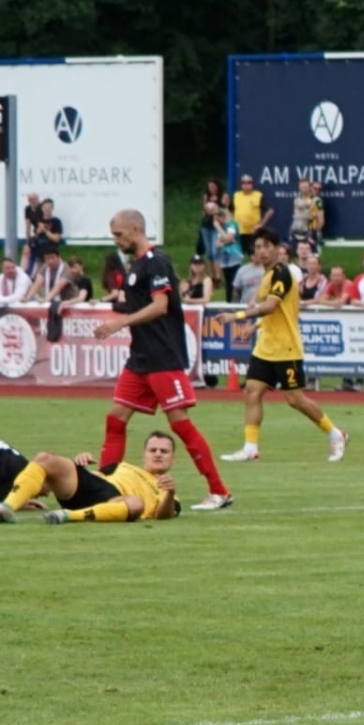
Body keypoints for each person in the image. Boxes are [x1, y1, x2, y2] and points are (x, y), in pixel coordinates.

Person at [93, 208, 233, 511]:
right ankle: (104, 490)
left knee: (181, 424)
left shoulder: (157, 262)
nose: (116, 240)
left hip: (162, 357)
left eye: (118, 234)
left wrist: (122, 322)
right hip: (140, 358)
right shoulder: (135, 265)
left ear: (135, 229)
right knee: (115, 419)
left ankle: (219, 491)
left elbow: (160, 306)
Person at [216, 227, 348, 464]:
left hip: (286, 348)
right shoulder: (267, 275)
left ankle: (335, 434)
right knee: (252, 391)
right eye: (258, 247)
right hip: (265, 347)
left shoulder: (282, 274)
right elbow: (274, 313)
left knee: (295, 399)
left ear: (277, 249)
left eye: (267, 246)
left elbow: (270, 307)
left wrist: (236, 317)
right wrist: (255, 327)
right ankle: (250, 448)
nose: (262, 251)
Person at [0, 432, 182, 526]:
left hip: (117, 502)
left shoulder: (170, 493)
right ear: (144, 454)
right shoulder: (122, 466)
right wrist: (80, 466)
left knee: (136, 503)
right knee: (45, 458)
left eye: (164, 451)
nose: (158, 454)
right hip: (98, 488)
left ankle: (67, 516)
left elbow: (163, 516)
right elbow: (96, 478)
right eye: (153, 450)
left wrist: (170, 493)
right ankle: (7, 507)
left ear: (173, 458)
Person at [232, 174, 270, 254]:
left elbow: (270, 210)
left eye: (249, 183)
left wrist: (261, 225)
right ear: (241, 185)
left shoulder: (258, 195)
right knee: (238, 254)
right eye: (244, 183)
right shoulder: (236, 195)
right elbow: (230, 210)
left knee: (254, 253)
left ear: (252, 184)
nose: (246, 185)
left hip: (253, 231)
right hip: (238, 230)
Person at [213, 206, 244, 301]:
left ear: (222, 217)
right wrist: (226, 240)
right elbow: (217, 244)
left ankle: (236, 300)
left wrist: (219, 229)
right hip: (225, 257)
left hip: (234, 255)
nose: (217, 222)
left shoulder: (231, 224)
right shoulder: (223, 228)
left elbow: (229, 238)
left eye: (218, 219)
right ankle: (228, 301)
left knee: (234, 280)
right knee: (228, 280)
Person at [291, 178, 325, 253]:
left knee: (311, 255)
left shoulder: (317, 201)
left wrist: (314, 233)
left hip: (310, 233)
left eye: (305, 187)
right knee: (296, 255)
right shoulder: (296, 200)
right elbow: (296, 217)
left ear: (310, 187)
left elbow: (321, 221)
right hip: (297, 232)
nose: (304, 189)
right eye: (302, 187)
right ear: (299, 187)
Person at [27, 198, 63, 265]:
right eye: (45, 207)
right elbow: (35, 239)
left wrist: (45, 230)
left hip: (52, 253)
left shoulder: (56, 221)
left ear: (52, 208)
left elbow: (56, 239)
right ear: (42, 208)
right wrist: (38, 232)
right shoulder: (38, 221)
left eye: (49, 207)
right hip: (39, 253)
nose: (47, 209)